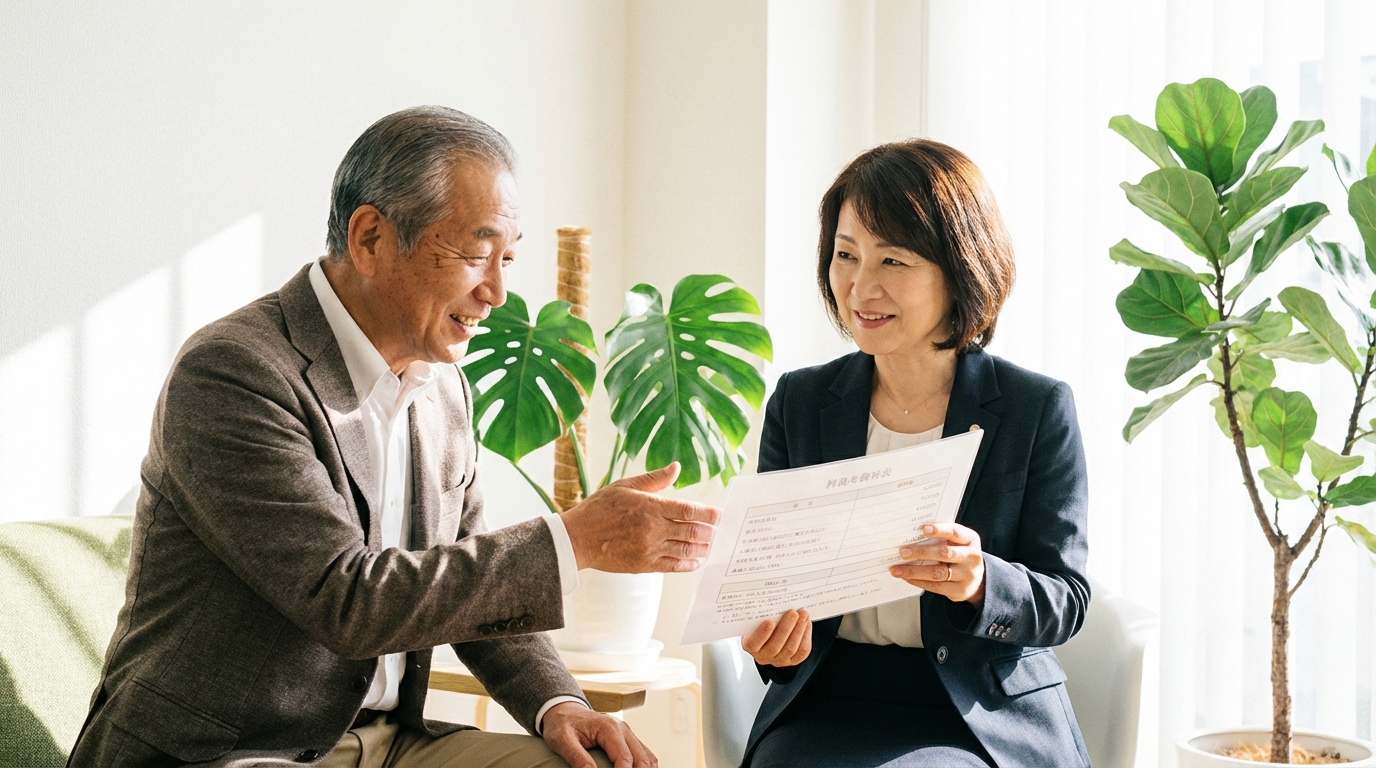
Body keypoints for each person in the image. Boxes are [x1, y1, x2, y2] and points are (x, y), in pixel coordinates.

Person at [67, 106, 719, 768]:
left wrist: (562, 706)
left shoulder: (442, 387)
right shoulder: (234, 373)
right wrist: (576, 539)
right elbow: (348, 600)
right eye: (475, 253)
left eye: (508, 259)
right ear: (371, 237)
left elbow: (475, 588)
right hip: (225, 750)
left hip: (388, 743)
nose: (495, 291)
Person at [738, 140, 1090, 768]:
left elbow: (1066, 598)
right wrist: (772, 639)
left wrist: (983, 581)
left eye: (893, 260)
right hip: (828, 697)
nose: (860, 286)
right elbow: (775, 584)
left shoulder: (1035, 408)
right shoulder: (800, 400)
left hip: (979, 710)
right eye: (845, 255)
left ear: (960, 271)